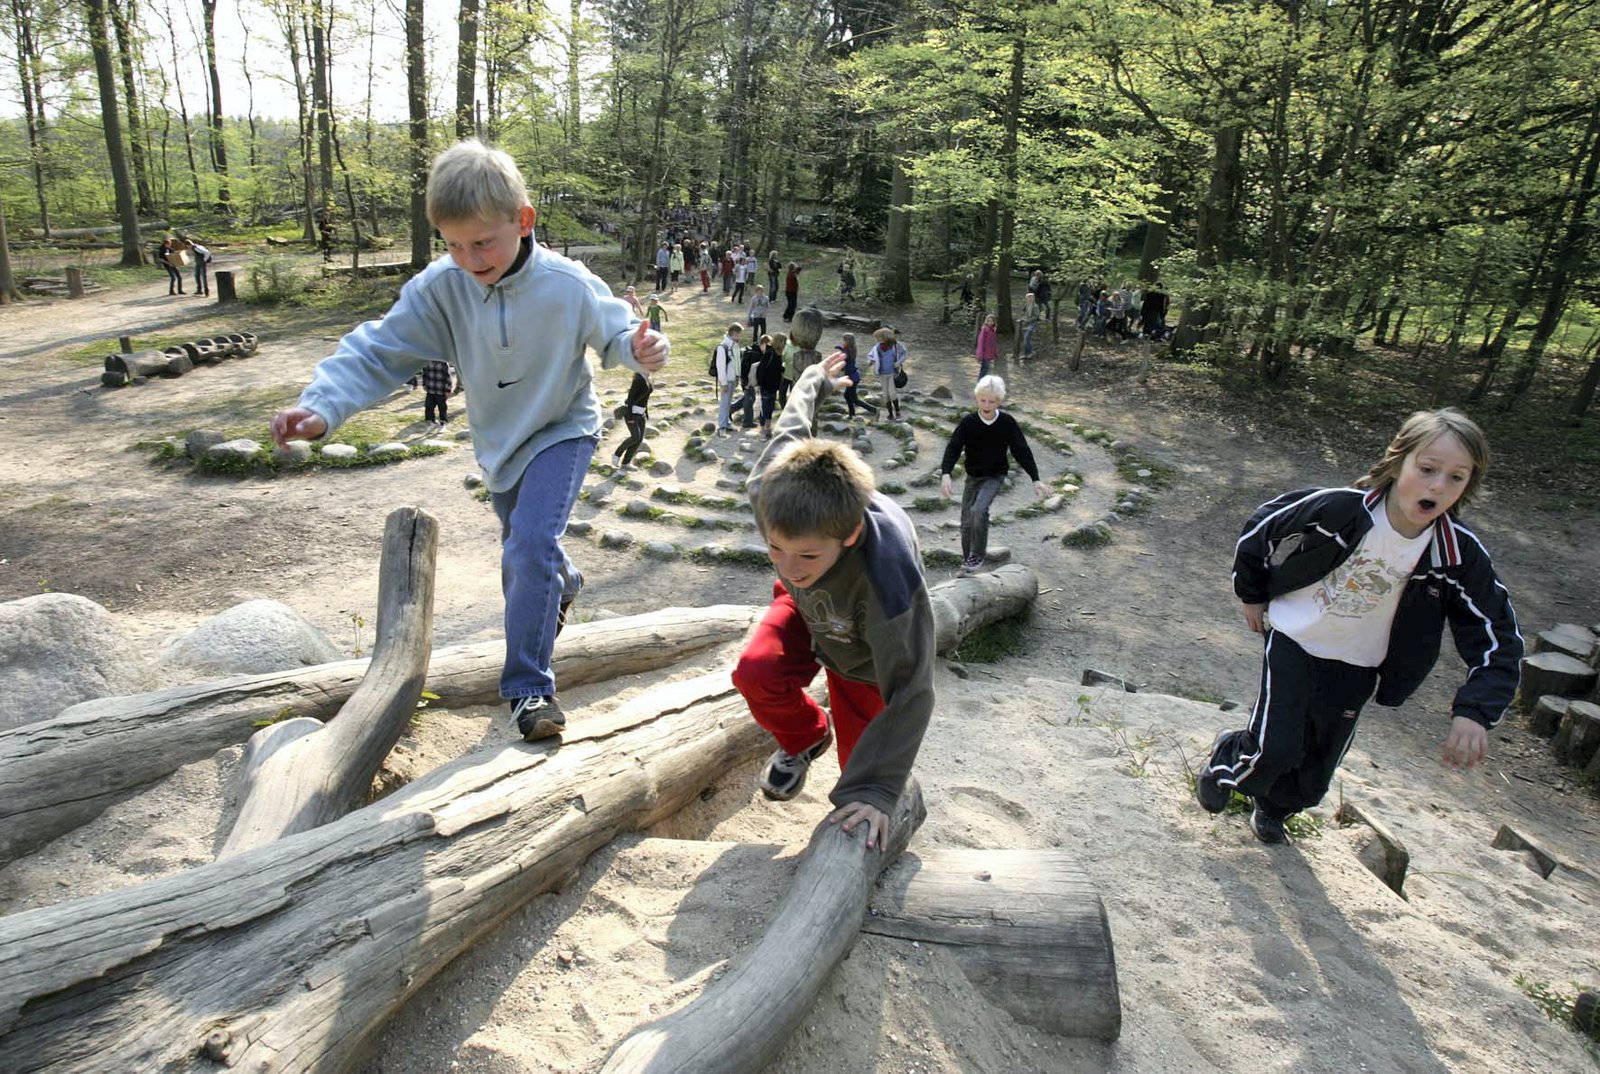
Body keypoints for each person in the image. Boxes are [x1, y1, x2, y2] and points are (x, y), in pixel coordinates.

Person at [270, 139, 669, 742]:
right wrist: (321, 408)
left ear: (523, 220)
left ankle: (529, 690)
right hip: (500, 444)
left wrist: (639, 349)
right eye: (454, 243)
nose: (468, 256)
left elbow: (615, 332)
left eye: (482, 241)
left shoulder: (567, 283)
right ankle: (564, 582)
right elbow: (378, 350)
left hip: (564, 427)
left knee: (529, 545)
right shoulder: (442, 287)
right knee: (529, 551)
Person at [1196, 409, 1522, 844]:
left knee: (1317, 769)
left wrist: (1474, 712)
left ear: (1468, 485)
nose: (1437, 486)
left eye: (1456, 477)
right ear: (1397, 461)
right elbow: (1263, 528)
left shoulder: (1457, 555)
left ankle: (1276, 808)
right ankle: (1227, 759)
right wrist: (1251, 592)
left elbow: (1498, 636)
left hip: (1360, 662)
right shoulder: (1341, 509)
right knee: (1276, 746)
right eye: (1427, 469)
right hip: (1296, 636)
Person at [731, 351, 936, 851]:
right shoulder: (770, 490)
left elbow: (911, 687)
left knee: (860, 785)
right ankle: (804, 737)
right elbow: (792, 427)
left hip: (864, 652)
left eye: (806, 554)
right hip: (807, 609)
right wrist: (814, 380)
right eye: (775, 548)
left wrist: (877, 789)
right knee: (755, 669)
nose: (788, 564)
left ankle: (886, 804)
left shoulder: (889, 580)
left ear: (850, 535)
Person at [938, 376, 1048, 575]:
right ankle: (968, 562)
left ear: (1000, 401)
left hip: (995, 476)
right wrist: (946, 473)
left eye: (992, 401)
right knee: (966, 522)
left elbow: (1021, 449)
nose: (986, 405)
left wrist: (1035, 478)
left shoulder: (1006, 422)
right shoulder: (968, 422)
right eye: (983, 400)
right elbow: (954, 447)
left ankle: (977, 555)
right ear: (977, 398)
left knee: (979, 510)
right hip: (973, 477)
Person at [612, 370, 653, 471]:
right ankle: (617, 454)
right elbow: (630, 398)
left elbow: (645, 398)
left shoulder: (648, 378)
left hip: (641, 413)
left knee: (639, 440)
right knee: (635, 437)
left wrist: (646, 412)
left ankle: (626, 463)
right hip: (632, 413)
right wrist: (630, 416)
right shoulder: (638, 379)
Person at [868, 325, 906, 422]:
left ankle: (897, 412)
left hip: (892, 373)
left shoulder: (896, 345)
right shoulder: (877, 347)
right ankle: (890, 414)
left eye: (878, 337)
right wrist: (871, 362)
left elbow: (904, 353)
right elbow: (872, 356)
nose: (877, 340)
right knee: (886, 394)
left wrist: (898, 362)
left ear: (885, 337)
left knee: (892, 393)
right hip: (882, 374)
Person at [713, 322, 743, 435]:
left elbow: (736, 363)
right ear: (734, 333)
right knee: (724, 403)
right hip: (726, 380)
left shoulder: (734, 346)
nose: (741, 336)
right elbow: (720, 367)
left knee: (728, 402)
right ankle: (722, 427)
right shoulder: (723, 347)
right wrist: (724, 383)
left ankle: (727, 423)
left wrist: (737, 376)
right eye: (739, 334)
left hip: (732, 379)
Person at [754, 333, 785, 439]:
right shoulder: (769, 353)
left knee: (770, 407)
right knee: (765, 407)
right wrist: (760, 384)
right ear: (779, 342)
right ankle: (763, 429)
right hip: (766, 385)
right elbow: (761, 369)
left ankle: (767, 428)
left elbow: (778, 369)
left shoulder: (779, 355)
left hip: (774, 386)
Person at [839, 332, 875, 420]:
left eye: (844, 340)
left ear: (847, 342)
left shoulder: (848, 352)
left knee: (854, 399)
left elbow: (845, 359)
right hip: (852, 376)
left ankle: (874, 410)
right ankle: (852, 414)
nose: (842, 342)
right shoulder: (849, 350)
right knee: (847, 396)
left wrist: (841, 351)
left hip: (853, 377)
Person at [420, 359, 454, 424]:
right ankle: (431, 421)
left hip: (440, 390)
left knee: (442, 407)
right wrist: (424, 384)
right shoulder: (427, 361)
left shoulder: (443, 363)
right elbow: (424, 373)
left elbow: (448, 377)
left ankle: (443, 422)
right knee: (428, 406)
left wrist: (448, 390)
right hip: (430, 389)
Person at [975, 312, 999, 380]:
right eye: (988, 321)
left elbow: (993, 343)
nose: (990, 322)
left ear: (994, 322)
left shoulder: (993, 330)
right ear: (986, 321)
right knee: (985, 368)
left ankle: (980, 381)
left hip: (989, 353)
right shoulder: (985, 329)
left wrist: (995, 353)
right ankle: (980, 382)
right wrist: (980, 354)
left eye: (991, 321)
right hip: (984, 353)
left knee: (985, 368)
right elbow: (981, 342)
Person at [1018, 293, 1041, 361]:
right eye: (1028, 298)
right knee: (1025, 339)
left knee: (1026, 338)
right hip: (1026, 323)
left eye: (1031, 297)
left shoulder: (1035, 306)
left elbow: (1036, 316)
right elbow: (1024, 312)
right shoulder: (1027, 305)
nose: (1029, 299)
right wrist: (1023, 318)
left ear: (1033, 298)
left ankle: (1031, 352)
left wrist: (1028, 320)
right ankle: (1026, 353)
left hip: (1032, 323)